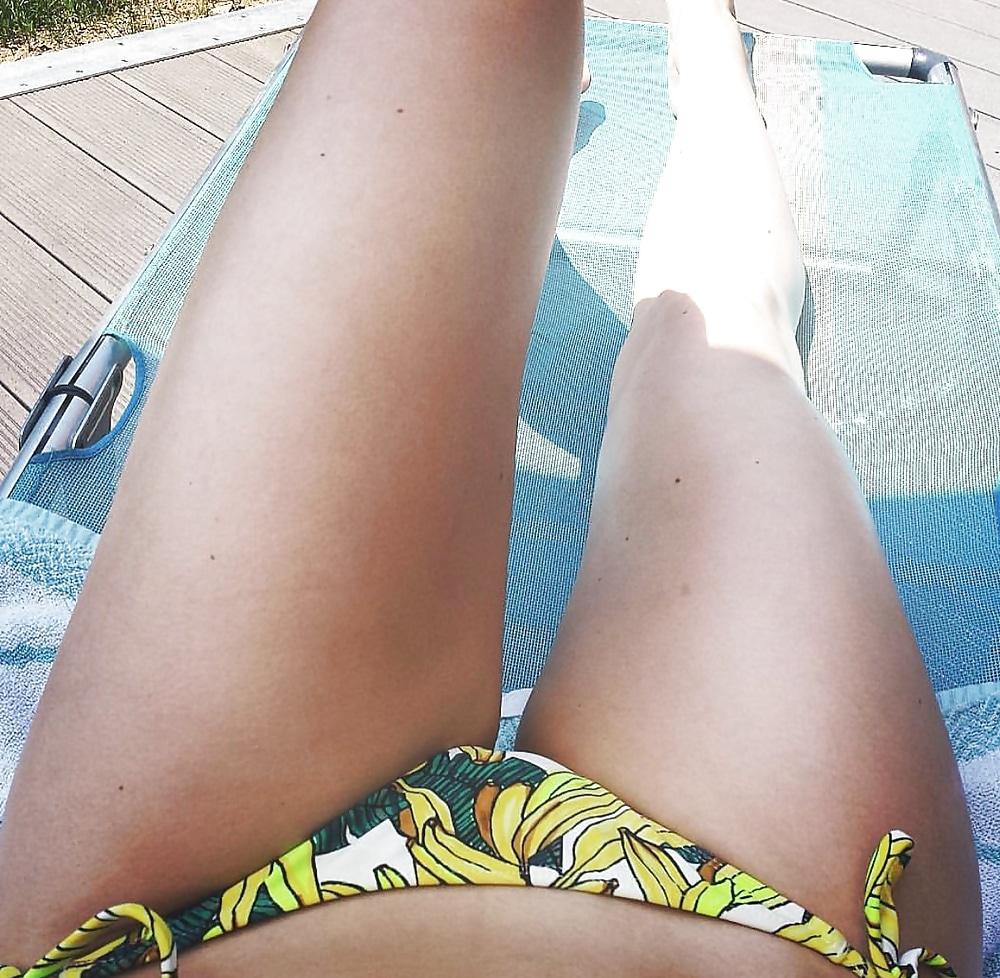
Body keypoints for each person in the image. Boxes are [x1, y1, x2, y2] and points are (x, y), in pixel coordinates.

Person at [0, 1, 982, 976]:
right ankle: (707, 67)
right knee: (712, 335)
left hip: (158, 927)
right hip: (770, 926)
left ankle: (553, 138)